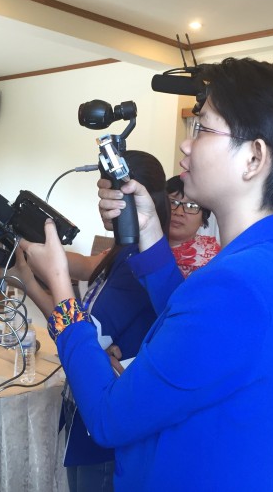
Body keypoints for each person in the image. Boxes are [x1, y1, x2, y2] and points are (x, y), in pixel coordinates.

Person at [20, 57, 273, 489]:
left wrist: (61, 291)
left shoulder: (236, 284)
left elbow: (109, 417)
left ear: (253, 157)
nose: (186, 147)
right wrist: (150, 231)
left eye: (203, 128)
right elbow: (190, 325)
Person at [11, 150, 170, 492]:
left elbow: (84, 336)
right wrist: (32, 273)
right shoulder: (120, 252)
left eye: (107, 194)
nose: (101, 204)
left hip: (107, 406)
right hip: (89, 398)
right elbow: (75, 327)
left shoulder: (137, 262)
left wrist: (45, 281)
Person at [166, 175, 220, 277]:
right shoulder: (137, 247)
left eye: (191, 206)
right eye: (173, 202)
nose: (179, 212)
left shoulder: (215, 262)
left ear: (203, 219)